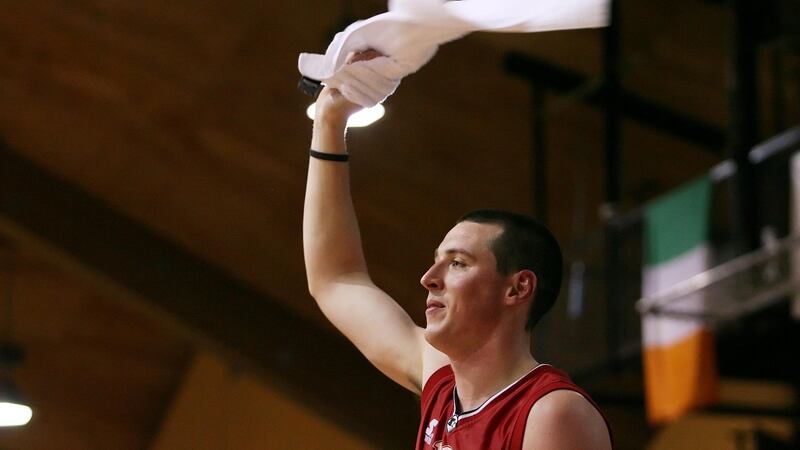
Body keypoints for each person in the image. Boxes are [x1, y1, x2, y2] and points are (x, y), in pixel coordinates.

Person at [303, 52, 613, 450]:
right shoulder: (441, 381)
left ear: (517, 289)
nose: (429, 279)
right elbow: (336, 280)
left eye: (458, 263)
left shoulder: (551, 413)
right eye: (437, 262)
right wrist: (330, 120)